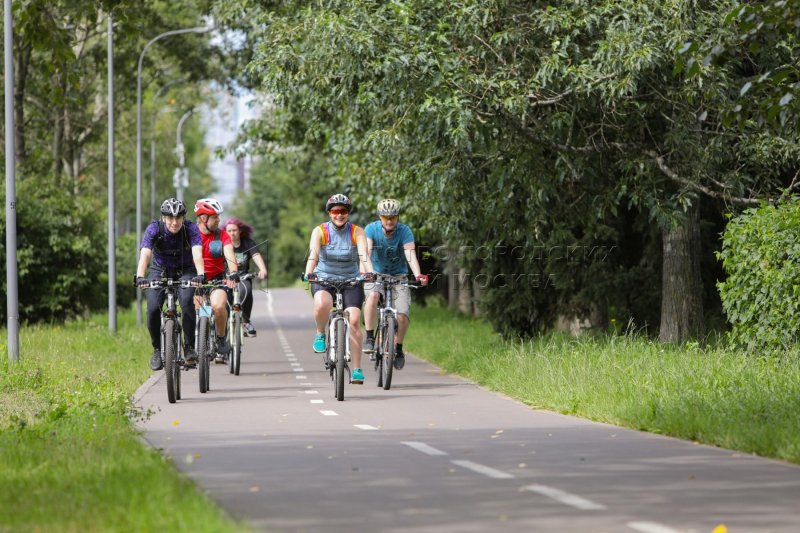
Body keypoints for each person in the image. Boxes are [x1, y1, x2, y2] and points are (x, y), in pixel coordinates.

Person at [304, 193, 374, 384]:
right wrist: (308, 272)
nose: (339, 215)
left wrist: (370, 272)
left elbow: (364, 255)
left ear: (348, 213)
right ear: (329, 213)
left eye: (343, 211)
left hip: (351, 280)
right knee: (322, 304)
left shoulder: (357, 231)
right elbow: (314, 254)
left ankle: (358, 368)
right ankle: (320, 333)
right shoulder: (320, 231)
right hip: (324, 278)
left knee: (354, 320)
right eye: (335, 211)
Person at [135, 198, 205, 371]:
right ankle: (157, 350)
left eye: (178, 218)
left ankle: (189, 347)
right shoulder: (154, 229)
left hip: (186, 270)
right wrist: (140, 276)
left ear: (183, 218)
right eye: (170, 218)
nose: (174, 222)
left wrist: (201, 274)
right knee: (152, 308)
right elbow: (145, 254)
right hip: (159, 270)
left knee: (188, 301)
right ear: (163, 218)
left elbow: (197, 254)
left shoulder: (191, 229)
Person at [362, 199, 428, 370]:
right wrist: (366, 272)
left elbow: (410, 253)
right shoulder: (371, 229)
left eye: (393, 217)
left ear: (398, 217)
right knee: (373, 296)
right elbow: (366, 252)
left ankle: (398, 348)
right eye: (385, 217)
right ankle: (369, 337)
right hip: (375, 274)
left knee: (403, 315)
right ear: (380, 217)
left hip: (399, 276)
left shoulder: (404, 231)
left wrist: (418, 274)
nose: (389, 221)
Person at [194, 198, 240, 362]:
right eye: (215, 217)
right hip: (195, 282)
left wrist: (233, 272)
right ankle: (196, 343)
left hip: (216, 281)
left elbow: (230, 255)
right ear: (203, 218)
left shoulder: (222, 235)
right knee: (198, 313)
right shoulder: (191, 235)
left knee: (218, 306)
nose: (218, 220)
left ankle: (220, 338)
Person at [224, 217, 268, 337]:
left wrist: (262, 269)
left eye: (234, 230)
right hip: (226, 278)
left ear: (240, 231)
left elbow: (256, 255)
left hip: (243, 276)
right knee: (224, 299)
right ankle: (223, 324)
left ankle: (246, 322)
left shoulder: (247, 243)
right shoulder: (223, 243)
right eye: (229, 231)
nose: (232, 233)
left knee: (246, 291)